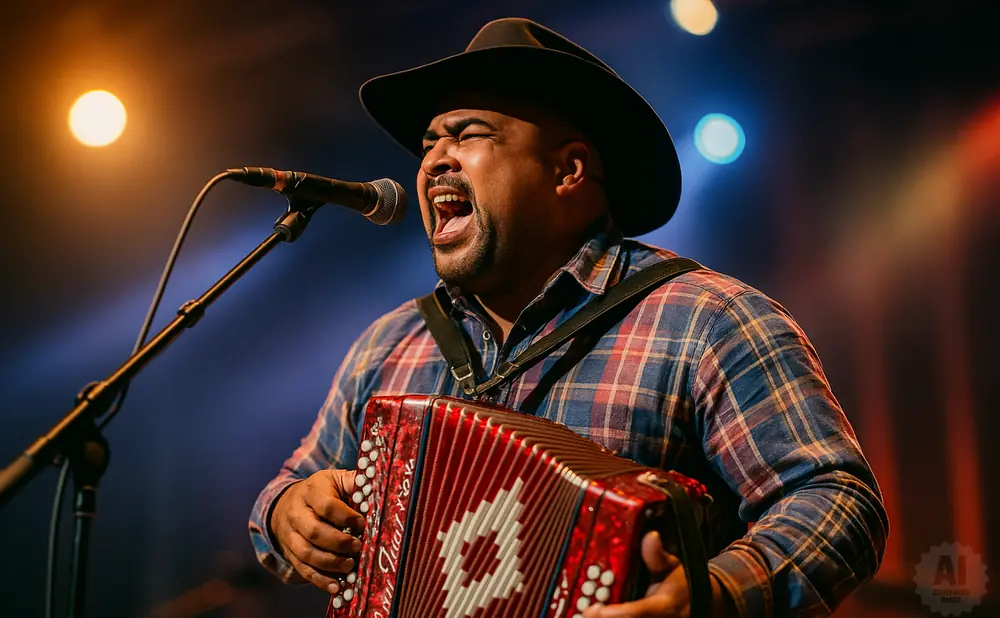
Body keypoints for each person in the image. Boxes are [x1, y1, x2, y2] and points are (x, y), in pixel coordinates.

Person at [248, 17, 888, 618]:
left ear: (568, 170)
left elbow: (838, 500)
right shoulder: (389, 346)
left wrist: (716, 592)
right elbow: (288, 491)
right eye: (429, 143)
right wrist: (287, 516)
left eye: (469, 134)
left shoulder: (706, 320)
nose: (434, 159)